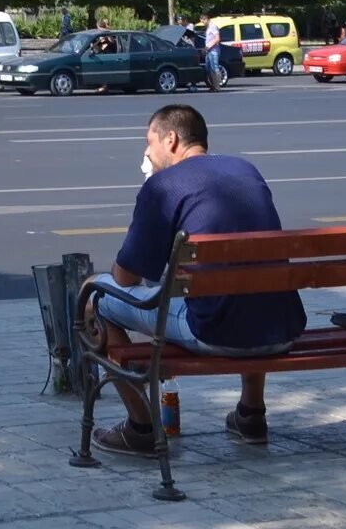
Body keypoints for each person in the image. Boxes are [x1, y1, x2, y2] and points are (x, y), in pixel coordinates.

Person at [85, 104, 303, 458]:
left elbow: (126, 277)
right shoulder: (246, 170)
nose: (145, 152)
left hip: (214, 332)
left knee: (98, 297)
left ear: (171, 139)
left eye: (149, 142)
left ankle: (141, 428)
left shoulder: (164, 185)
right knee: (247, 289)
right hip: (281, 330)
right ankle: (251, 413)